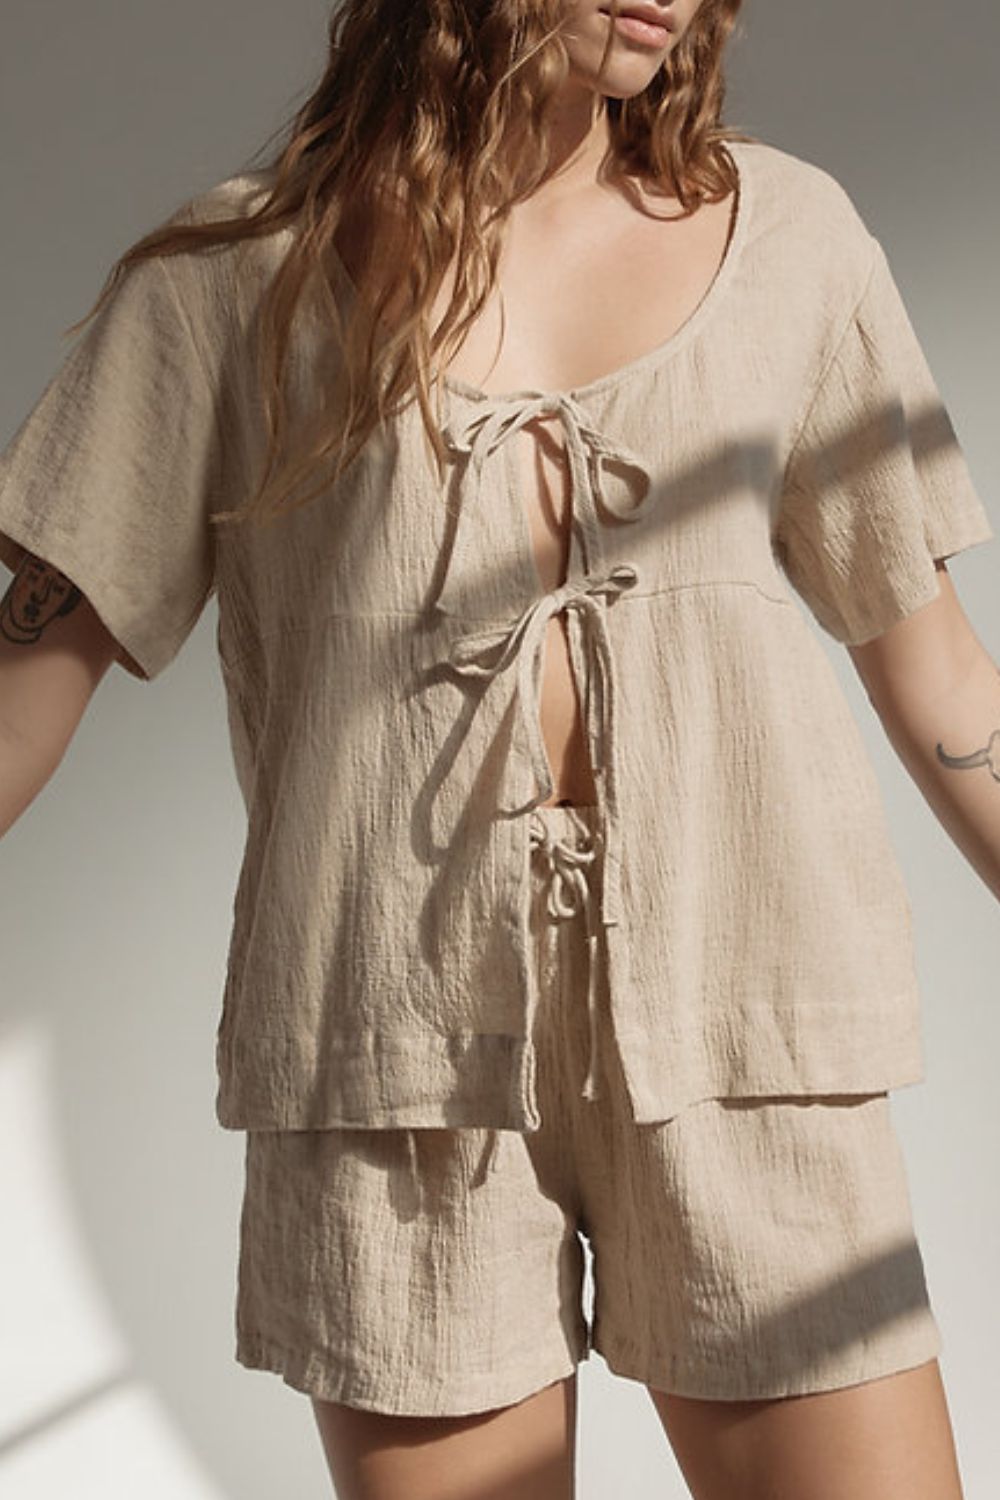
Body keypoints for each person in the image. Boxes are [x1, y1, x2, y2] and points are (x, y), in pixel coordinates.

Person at [0, 1, 995, 1495]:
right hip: (396, 1058)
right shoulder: (234, 282)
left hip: (745, 1028)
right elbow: (19, 697)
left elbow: (946, 685)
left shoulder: (796, 242)